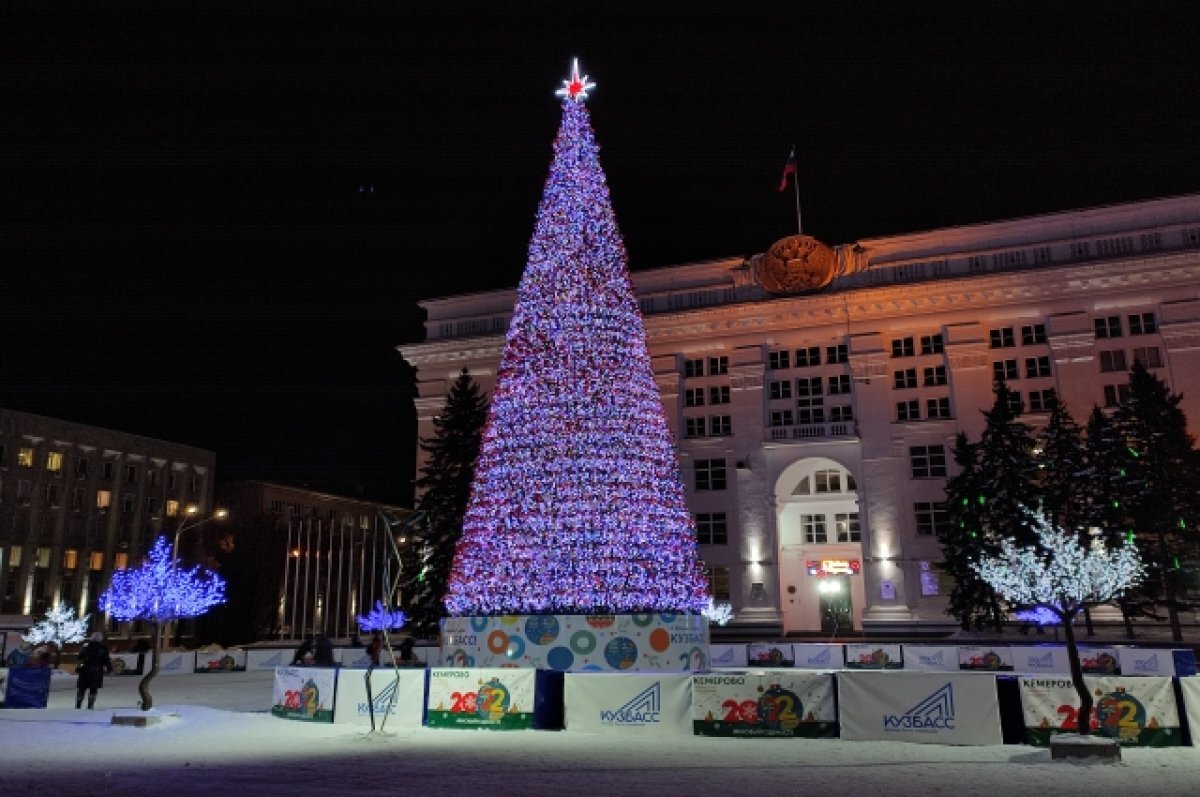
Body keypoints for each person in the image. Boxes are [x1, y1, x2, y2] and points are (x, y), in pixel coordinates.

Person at [75, 632, 113, 709]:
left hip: (84, 670)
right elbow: (106, 660)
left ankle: (78, 704)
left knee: (82, 688)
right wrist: (109, 669)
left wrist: (79, 666)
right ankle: (90, 705)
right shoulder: (103, 648)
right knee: (93, 688)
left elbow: (79, 657)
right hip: (96, 671)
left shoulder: (86, 646)